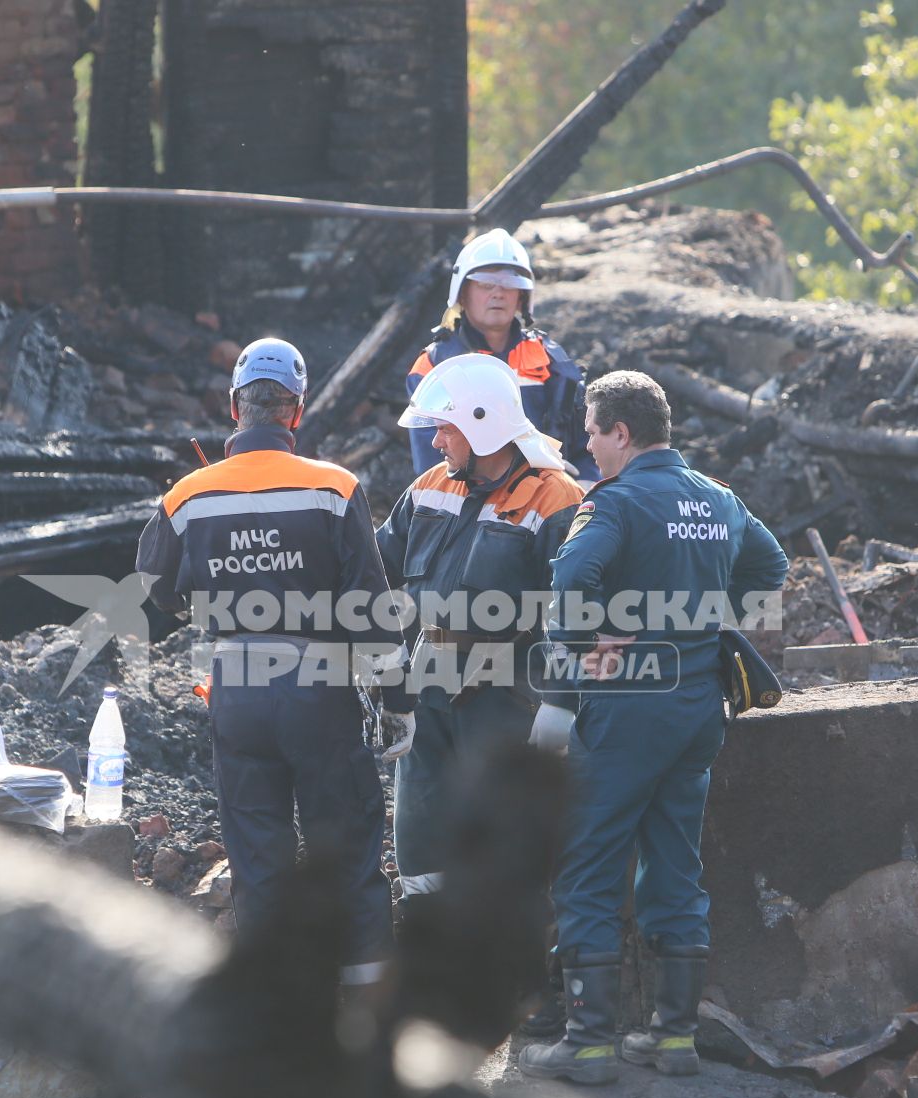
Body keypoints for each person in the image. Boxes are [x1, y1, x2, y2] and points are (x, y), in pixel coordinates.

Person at [520, 371, 789, 1085]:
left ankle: (588, 1042)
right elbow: (771, 566)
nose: (585, 442)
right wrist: (703, 617)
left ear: (622, 434)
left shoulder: (616, 502)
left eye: (592, 429)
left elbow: (570, 581)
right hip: (698, 705)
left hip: (628, 705)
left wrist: (589, 642)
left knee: (588, 863)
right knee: (674, 863)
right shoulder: (717, 499)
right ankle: (673, 1039)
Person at [136, 337, 415, 990]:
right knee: (344, 846)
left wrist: (201, 604)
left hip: (236, 686)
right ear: (297, 410)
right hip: (318, 688)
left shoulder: (187, 496)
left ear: (237, 407)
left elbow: (154, 586)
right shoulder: (333, 487)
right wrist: (400, 699)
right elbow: (372, 609)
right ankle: (366, 1001)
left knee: (257, 855)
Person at [376, 353, 585, 1027]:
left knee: (506, 852)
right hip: (426, 690)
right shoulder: (431, 486)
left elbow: (577, 616)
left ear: (484, 424)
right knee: (420, 847)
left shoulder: (557, 501)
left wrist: (559, 703)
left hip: (504, 699)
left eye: (445, 429)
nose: (436, 441)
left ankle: (531, 998)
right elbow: (374, 568)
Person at [405, 229, 594, 482]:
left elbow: (588, 447)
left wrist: (581, 495)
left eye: (509, 284)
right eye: (486, 284)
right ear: (462, 293)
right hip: (465, 500)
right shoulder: (432, 365)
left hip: (548, 497)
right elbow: (431, 465)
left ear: (522, 296)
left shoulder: (550, 361)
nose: (498, 293)